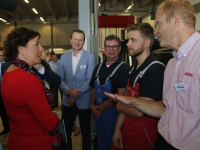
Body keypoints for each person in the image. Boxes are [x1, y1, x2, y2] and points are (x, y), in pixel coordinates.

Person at [105, 0, 200, 150]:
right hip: (164, 142)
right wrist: (131, 101)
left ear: (176, 21)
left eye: (159, 24)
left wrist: (125, 106)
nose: (156, 31)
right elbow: (165, 108)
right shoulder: (172, 64)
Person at [1, 27, 60, 150]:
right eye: (36, 44)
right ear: (21, 49)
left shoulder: (9, 72)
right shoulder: (27, 79)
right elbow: (49, 123)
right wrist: (56, 115)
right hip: (35, 143)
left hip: (16, 140)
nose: (42, 48)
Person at [111, 23, 165, 150]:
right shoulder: (133, 68)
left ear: (146, 43)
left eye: (133, 40)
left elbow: (139, 111)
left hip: (144, 135)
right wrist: (117, 129)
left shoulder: (155, 69)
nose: (128, 44)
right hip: (127, 130)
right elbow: (127, 101)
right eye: (129, 40)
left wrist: (119, 105)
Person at [90, 34, 130, 150]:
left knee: (113, 144)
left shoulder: (124, 68)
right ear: (104, 49)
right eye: (108, 46)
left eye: (114, 47)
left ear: (119, 49)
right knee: (101, 142)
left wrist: (100, 108)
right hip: (98, 114)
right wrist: (91, 106)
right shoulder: (98, 67)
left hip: (114, 114)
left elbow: (121, 96)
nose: (111, 50)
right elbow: (94, 89)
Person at [59, 29, 96, 150]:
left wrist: (73, 95)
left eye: (80, 39)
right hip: (67, 101)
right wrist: (69, 93)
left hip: (83, 102)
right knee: (66, 132)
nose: (77, 42)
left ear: (84, 42)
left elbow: (89, 80)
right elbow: (61, 79)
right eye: (75, 39)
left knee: (85, 134)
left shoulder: (90, 58)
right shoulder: (63, 58)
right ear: (70, 40)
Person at [0, 49, 9, 136]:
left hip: (7, 89)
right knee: (2, 110)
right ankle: (6, 128)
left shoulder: (9, 65)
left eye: (3, 55)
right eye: (0, 56)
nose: (2, 57)